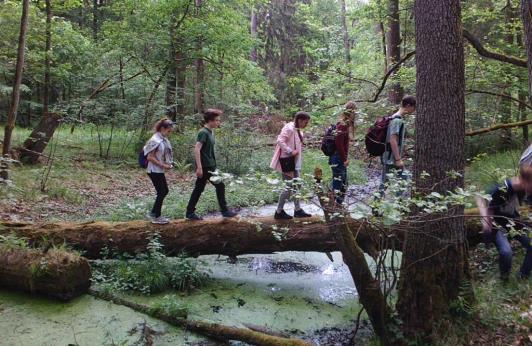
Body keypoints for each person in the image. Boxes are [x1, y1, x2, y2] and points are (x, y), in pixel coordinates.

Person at [476, 165, 532, 281]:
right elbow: (482, 201)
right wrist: (487, 229)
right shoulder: (502, 189)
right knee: (506, 252)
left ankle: (523, 276)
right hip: (498, 225)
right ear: (524, 181)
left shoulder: (524, 188)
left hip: (514, 222)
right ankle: (504, 278)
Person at [185, 108, 237, 221]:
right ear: (210, 121)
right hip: (205, 167)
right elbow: (197, 149)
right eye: (217, 120)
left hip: (211, 165)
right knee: (219, 186)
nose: (219, 122)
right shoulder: (203, 132)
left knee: (199, 188)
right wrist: (199, 167)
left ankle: (190, 212)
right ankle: (224, 211)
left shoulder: (210, 132)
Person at [270, 111, 313, 220]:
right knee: (288, 187)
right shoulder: (289, 128)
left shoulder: (298, 130)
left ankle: (297, 210)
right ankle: (278, 212)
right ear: (299, 120)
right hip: (287, 162)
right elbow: (280, 140)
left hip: (295, 163)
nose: (306, 125)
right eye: (305, 122)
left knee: (297, 185)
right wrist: (289, 151)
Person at [379, 95, 416, 196]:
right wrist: (398, 159)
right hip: (390, 158)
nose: (414, 110)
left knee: (387, 182)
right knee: (400, 180)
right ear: (408, 105)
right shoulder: (396, 120)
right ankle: (379, 208)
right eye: (414, 107)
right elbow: (393, 140)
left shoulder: (394, 118)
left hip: (390, 157)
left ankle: (383, 207)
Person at [144, 118, 175, 224]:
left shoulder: (162, 139)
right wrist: (162, 165)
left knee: (164, 191)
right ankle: (157, 217)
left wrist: (167, 164)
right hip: (153, 170)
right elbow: (150, 157)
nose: (169, 133)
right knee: (162, 191)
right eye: (168, 131)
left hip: (159, 170)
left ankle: (153, 213)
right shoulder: (155, 140)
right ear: (162, 128)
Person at [329, 101, 357, 204]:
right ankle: (333, 207)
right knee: (338, 183)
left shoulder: (344, 124)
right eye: (355, 112)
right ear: (351, 112)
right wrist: (345, 159)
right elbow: (338, 143)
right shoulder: (342, 125)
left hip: (338, 157)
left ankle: (338, 206)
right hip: (337, 158)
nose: (355, 115)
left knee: (343, 183)